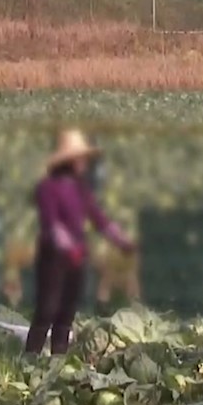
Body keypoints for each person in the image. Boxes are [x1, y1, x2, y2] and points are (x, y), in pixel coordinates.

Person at [26, 129, 135, 356]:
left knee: (66, 313)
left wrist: (121, 240)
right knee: (47, 310)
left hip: (76, 258)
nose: (85, 162)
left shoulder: (80, 189)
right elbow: (52, 224)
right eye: (81, 158)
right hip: (53, 258)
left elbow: (99, 220)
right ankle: (30, 360)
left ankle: (58, 360)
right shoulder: (47, 188)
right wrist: (68, 246)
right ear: (69, 161)